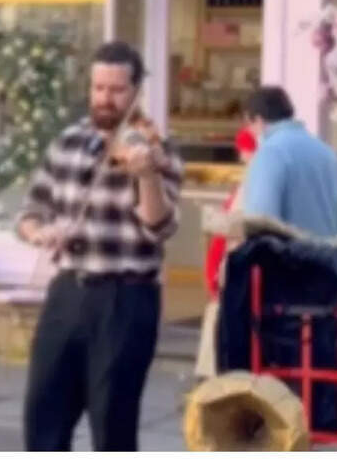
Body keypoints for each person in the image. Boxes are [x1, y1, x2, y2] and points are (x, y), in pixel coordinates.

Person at [16, 41, 184, 451]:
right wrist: (40, 233)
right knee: (42, 416)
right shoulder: (68, 141)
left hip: (126, 298)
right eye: (98, 88)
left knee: (112, 425)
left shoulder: (158, 147)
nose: (105, 99)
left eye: (117, 90)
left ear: (136, 91)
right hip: (68, 291)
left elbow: (159, 227)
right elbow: (30, 210)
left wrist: (146, 176)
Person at [241, 86, 337, 238]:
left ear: (258, 120)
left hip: (288, 257)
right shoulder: (327, 153)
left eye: (248, 125)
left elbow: (260, 223)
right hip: (327, 256)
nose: (250, 132)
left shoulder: (269, 154)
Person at [194, 126, 256, 380]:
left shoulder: (253, 182)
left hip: (233, 272)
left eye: (244, 152)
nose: (241, 158)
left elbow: (233, 226)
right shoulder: (252, 180)